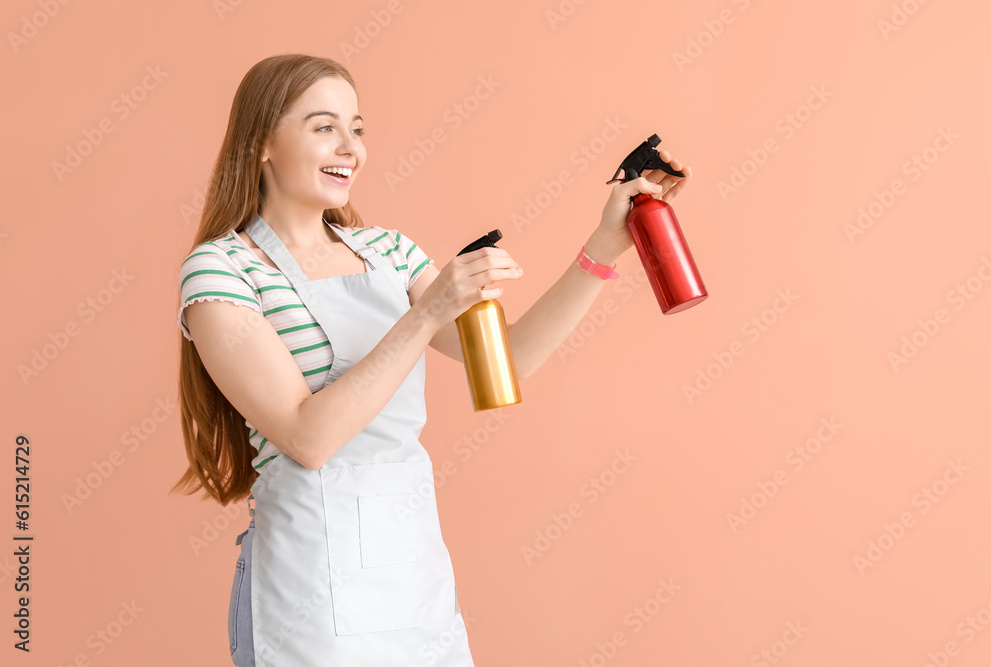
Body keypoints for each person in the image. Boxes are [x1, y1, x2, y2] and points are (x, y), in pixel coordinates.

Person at [169, 53, 691, 666]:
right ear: (261, 141)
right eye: (323, 127)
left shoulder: (388, 252)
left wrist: (605, 245)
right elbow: (307, 437)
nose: (350, 147)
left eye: (357, 127)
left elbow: (508, 362)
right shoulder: (222, 270)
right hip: (309, 584)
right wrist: (424, 312)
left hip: (414, 576)